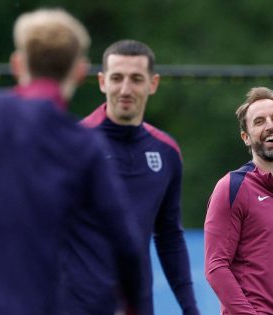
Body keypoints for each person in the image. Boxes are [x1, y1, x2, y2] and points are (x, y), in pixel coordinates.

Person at [0, 8, 144, 315]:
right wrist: (134, 307)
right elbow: (125, 243)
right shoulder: (83, 145)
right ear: (80, 71)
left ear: (17, 64)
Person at [81, 39, 200, 315]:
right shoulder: (74, 144)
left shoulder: (166, 151)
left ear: (152, 83)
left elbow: (169, 235)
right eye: (117, 78)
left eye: (136, 79)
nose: (125, 89)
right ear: (102, 82)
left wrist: (190, 308)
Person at [204, 87, 273, 315]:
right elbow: (216, 267)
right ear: (246, 137)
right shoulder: (232, 187)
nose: (270, 126)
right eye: (259, 121)